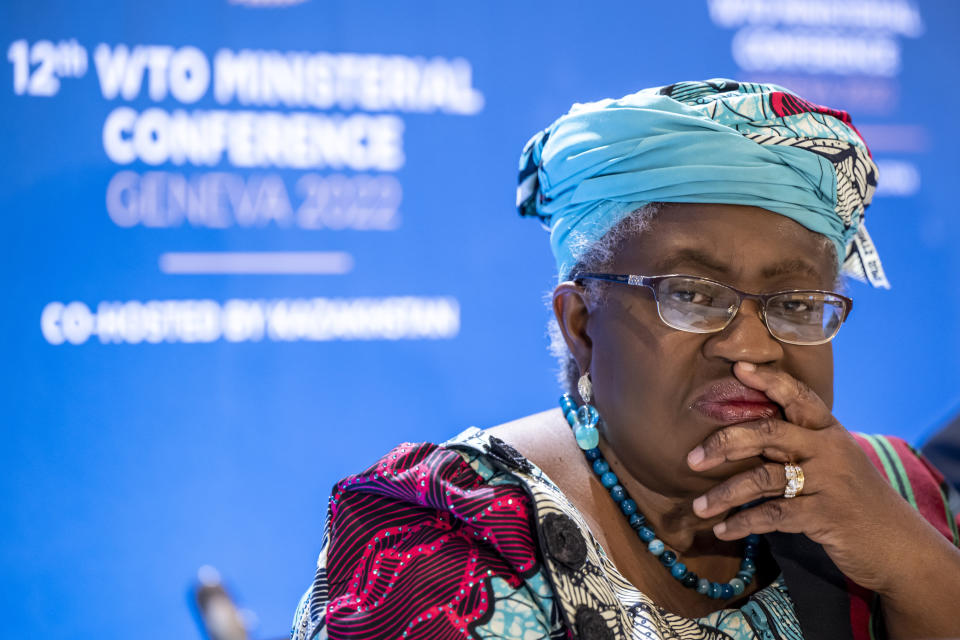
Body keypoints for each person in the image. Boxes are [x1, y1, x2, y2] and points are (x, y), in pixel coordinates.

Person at [290, 80, 960, 640]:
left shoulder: (890, 494)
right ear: (580, 323)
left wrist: (914, 565)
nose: (754, 346)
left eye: (793, 303)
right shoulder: (449, 543)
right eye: (693, 294)